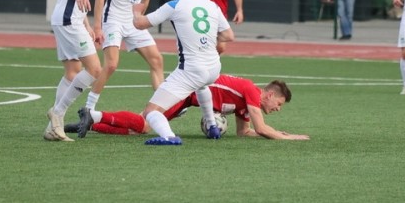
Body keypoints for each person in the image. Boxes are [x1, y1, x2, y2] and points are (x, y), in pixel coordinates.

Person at [126, 0, 234, 145]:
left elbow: (140, 24)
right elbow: (229, 36)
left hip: (192, 70)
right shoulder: (212, 5)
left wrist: (136, 11)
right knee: (201, 86)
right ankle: (212, 126)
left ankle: (168, 136)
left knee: (151, 111)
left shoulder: (175, 5)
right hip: (214, 68)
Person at [74, 0, 164, 134]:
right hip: (113, 19)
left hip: (132, 21)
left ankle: (162, 105)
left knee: (157, 60)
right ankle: (88, 109)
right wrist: (98, 27)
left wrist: (140, 15)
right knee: (112, 65)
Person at [44, 0, 124, 141]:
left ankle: (52, 128)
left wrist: (87, 25)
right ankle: (57, 113)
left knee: (73, 72)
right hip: (68, 20)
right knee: (95, 69)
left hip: (70, 19)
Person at [75, 75, 310, 140]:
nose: (278, 109)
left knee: (139, 128)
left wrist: (277, 133)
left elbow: (244, 131)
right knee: (146, 123)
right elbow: (261, 128)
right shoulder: (251, 91)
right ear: (269, 95)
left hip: (189, 97)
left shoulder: (247, 106)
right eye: (279, 104)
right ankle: (94, 114)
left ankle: (92, 123)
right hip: (185, 89)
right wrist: (289, 137)